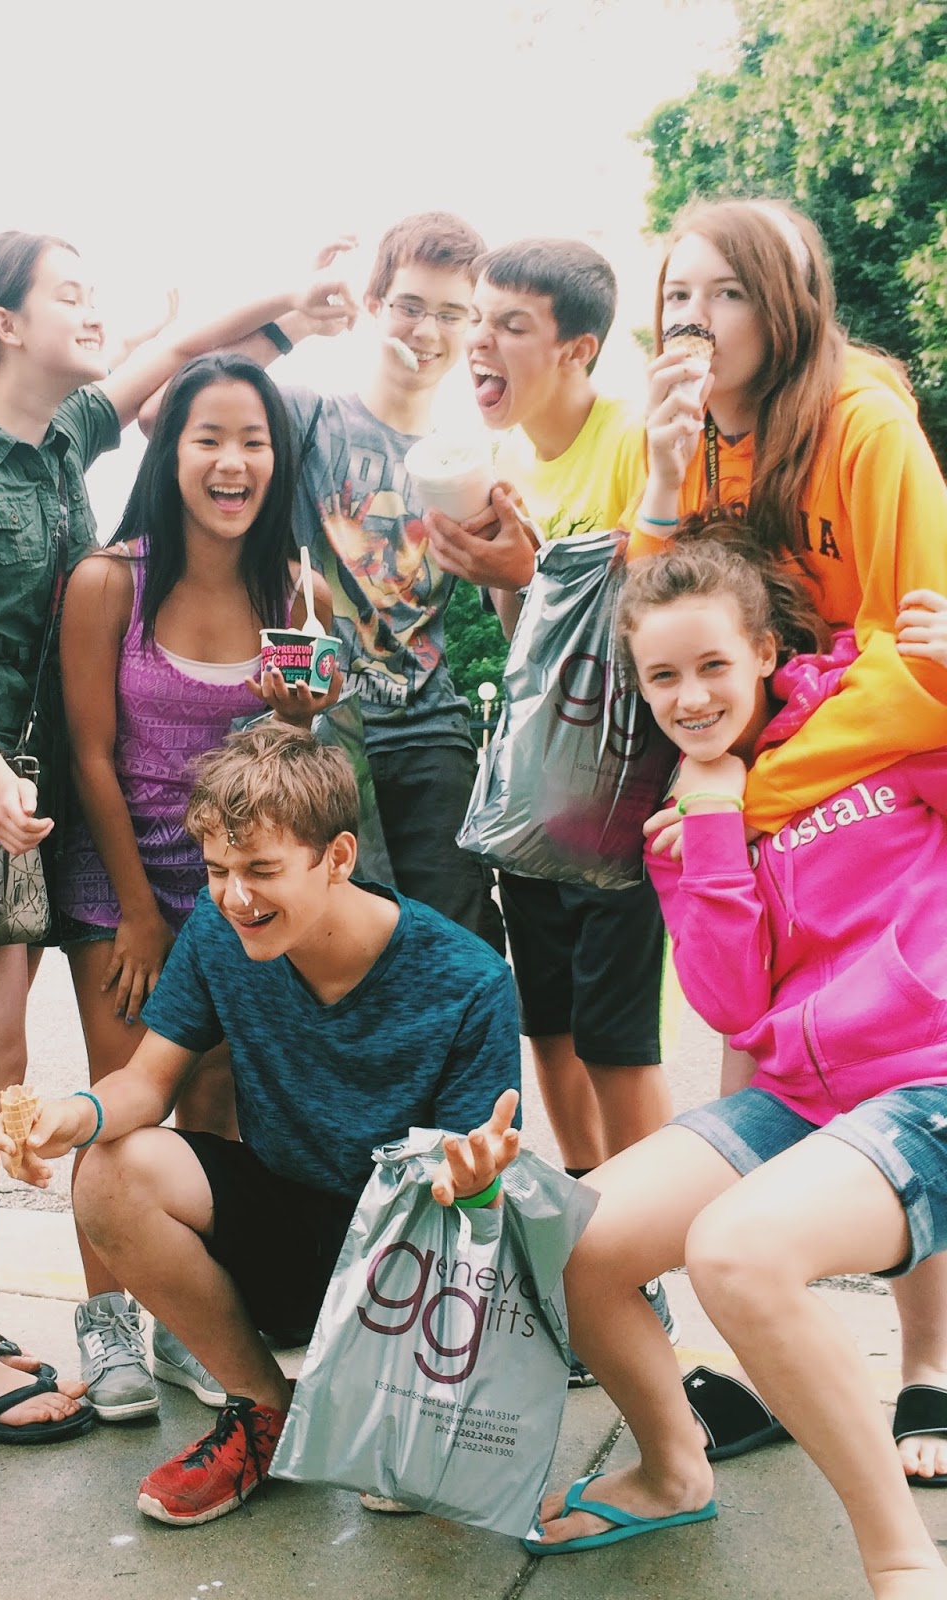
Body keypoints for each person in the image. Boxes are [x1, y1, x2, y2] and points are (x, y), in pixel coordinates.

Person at [0, 229, 354, 1445]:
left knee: (73, 1085)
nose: (95, 314)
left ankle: (1, 1330)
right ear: (3, 322)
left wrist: (292, 305)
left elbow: (186, 358)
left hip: (47, 804)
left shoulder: (64, 443)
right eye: (71, 294)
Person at [524, 532, 947, 1600]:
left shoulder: (878, 719)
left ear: (763, 650)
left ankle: (902, 1560)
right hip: (801, 1095)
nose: (691, 696)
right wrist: (715, 824)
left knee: (737, 1253)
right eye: (663, 675)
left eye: (712, 664)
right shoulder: (683, 814)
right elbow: (731, 1004)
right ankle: (673, 1468)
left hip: (928, 1079)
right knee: (567, 1238)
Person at [0, 722, 519, 1522]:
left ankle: (402, 1401)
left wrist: (474, 1182)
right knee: (109, 1171)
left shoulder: (469, 979)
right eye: (218, 871)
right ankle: (265, 1410)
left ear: (337, 857)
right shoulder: (221, 932)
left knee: (396, 1484)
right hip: (288, 1240)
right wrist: (74, 1115)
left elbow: (481, 1203)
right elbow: (147, 1082)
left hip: (412, 1263)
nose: (236, 897)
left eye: (262, 870)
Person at [625, 198, 947, 1484]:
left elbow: (923, 656)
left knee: (893, 1054)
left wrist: (754, 794)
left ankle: (926, 1367)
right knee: (754, 1047)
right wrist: (658, 480)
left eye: (726, 294)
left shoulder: (862, 425)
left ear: (786, 306)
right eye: (677, 296)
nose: (695, 321)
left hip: (854, 774)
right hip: (751, 772)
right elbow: (656, 614)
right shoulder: (694, 437)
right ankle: (765, 1350)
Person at [57, 352, 337, 1420]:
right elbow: (90, 756)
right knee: (119, 1104)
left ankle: (192, 1315)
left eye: (253, 441)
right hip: (120, 878)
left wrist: (300, 716)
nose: (231, 461)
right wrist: (137, 914)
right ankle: (106, 1323)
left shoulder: (294, 589)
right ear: (168, 453)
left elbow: (290, 768)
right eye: (207, 437)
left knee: (216, 1102)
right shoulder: (109, 581)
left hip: (239, 892)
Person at [440, 239, 674, 1356]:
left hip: (626, 805)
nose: (478, 342)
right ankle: (588, 1236)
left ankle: (646, 1266)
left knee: (620, 1044)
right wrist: (509, 582)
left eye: (511, 324)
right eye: (476, 319)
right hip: (537, 802)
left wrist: (533, 575)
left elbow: (655, 612)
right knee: (552, 1027)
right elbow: (529, 651)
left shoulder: (630, 442)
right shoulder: (503, 464)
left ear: (578, 348)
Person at [259, 213, 506, 953]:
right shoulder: (305, 417)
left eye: (452, 313)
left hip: (431, 736)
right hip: (316, 728)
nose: (427, 330)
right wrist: (293, 316)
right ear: (372, 306)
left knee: (459, 956)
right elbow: (178, 405)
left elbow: (511, 610)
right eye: (409, 305)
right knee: (328, 956)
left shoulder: (472, 463)